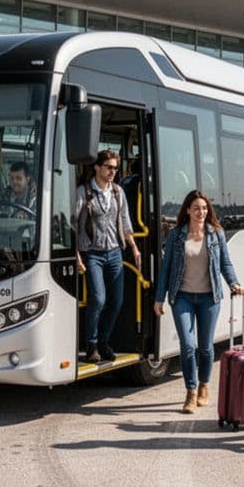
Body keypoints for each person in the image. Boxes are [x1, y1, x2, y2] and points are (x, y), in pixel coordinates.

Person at [152, 190, 244, 413]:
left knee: (204, 347)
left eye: (204, 208)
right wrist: (159, 298)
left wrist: (234, 283)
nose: (201, 212)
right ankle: (191, 392)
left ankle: (204, 385)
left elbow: (226, 263)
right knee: (187, 345)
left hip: (209, 298)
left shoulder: (216, 234)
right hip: (181, 296)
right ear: (187, 211)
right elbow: (165, 269)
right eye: (196, 208)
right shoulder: (176, 235)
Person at [73, 149, 141, 363]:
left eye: (115, 168)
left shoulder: (118, 192)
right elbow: (72, 224)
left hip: (114, 253)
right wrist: (76, 255)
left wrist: (134, 248)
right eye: (109, 167)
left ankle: (104, 341)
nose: (113, 171)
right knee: (98, 299)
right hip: (92, 253)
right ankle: (91, 344)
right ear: (97, 167)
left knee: (117, 301)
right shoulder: (83, 192)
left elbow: (125, 222)